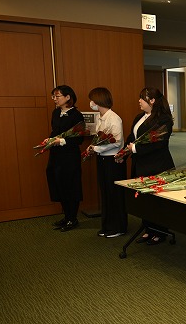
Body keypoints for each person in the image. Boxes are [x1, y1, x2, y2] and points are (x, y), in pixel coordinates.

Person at [119, 87, 175, 245]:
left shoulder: (163, 119)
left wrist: (135, 149)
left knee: (157, 200)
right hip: (140, 164)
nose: (139, 101)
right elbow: (132, 137)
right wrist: (124, 153)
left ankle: (160, 231)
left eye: (142, 98)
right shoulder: (139, 117)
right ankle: (148, 229)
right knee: (144, 199)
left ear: (152, 100)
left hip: (157, 164)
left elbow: (159, 143)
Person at [86, 87, 127, 238]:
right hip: (102, 159)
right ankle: (107, 225)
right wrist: (93, 147)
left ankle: (119, 227)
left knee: (114, 194)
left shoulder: (114, 118)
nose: (91, 103)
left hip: (113, 161)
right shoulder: (100, 117)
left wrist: (96, 148)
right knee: (105, 193)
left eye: (92, 100)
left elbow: (117, 142)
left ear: (99, 100)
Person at [46, 85, 85, 232]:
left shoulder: (77, 115)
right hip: (56, 155)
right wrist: (49, 140)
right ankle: (66, 216)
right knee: (58, 184)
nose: (55, 99)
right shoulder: (56, 112)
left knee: (70, 186)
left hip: (69, 156)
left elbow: (79, 139)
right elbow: (55, 131)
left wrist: (61, 141)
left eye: (57, 96)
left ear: (68, 97)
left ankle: (72, 218)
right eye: (53, 96)